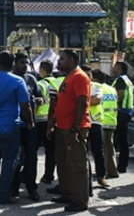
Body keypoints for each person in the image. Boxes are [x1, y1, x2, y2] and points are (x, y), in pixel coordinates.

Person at [0, 51, 33, 205]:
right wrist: (30, 121)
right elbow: (25, 105)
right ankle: (3, 195)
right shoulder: (17, 81)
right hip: (9, 126)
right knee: (9, 161)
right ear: (13, 63)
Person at [51, 49, 91, 213]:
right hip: (63, 127)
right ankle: (67, 193)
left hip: (75, 128)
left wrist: (75, 128)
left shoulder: (80, 77)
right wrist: (53, 120)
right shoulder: (68, 77)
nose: (58, 62)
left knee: (77, 165)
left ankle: (80, 200)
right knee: (63, 163)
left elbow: (82, 103)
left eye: (62, 59)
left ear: (72, 61)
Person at [11, 52, 42, 202]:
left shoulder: (31, 79)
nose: (25, 65)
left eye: (26, 63)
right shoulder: (10, 79)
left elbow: (39, 96)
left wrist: (38, 100)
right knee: (14, 158)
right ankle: (13, 189)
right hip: (14, 124)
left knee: (31, 158)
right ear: (15, 63)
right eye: (22, 62)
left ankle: (31, 188)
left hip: (30, 125)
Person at [82, 66, 109, 188]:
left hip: (95, 122)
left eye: (90, 75)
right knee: (83, 151)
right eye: (85, 75)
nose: (88, 77)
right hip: (81, 122)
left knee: (98, 150)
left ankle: (101, 176)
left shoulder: (97, 87)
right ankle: (85, 176)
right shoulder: (77, 85)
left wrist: (81, 99)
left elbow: (96, 101)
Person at [95, 69, 119, 179]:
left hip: (102, 120)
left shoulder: (98, 89)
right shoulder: (112, 89)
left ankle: (107, 171)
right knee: (110, 147)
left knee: (104, 149)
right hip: (112, 120)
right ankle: (111, 170)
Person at [112, 61, 134, 173]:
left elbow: (120, 94)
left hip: (121, 111)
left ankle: (121, 166)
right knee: (123, 139)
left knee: (121, 140)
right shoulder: (127, 79)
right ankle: (122, 165)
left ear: (119, 68)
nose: (113, 68)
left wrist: (113, 104)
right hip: (127, 111)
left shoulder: (120, 79)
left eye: (115, 66)